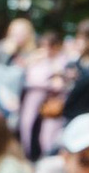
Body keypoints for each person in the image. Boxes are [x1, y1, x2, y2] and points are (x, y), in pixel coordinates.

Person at [15, 22, 76, 158]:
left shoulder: (64, 61)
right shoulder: (36, 59)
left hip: (52, 104)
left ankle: (48, 158)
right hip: (33, 99)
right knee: (26, 126)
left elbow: (60, 84)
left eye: (50, 46)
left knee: (48, 137)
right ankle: (28, 155)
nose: (47, 49)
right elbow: (28, 77)